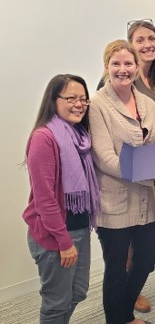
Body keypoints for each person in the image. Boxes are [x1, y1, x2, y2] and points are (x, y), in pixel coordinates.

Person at [89, 40, 155, 324]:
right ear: (107, 67)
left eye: (128, 63)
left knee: (146, 262)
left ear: (136, 66)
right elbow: (105, 158)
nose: (123, 69)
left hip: (147, 200)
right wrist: (154, 174)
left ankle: (123, 313)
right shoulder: (97, 104)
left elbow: (154, 146)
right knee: (116, 267)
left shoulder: (148, 103)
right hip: (114, 201)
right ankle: (118, 319)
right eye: (116, 64)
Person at [22, 74, 99, 324]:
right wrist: (64, 242)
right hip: (54, 234)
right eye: (71, 98)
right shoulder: (44, 138)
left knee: (78, 292)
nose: (79, 104)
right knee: (56, 303)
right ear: (53, 101)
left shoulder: (80, 137)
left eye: (83, 99)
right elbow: (45, 200)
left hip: (79, 229)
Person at [126, 18, 155, 312]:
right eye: (140, 40)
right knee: (129, 237)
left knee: (145, 235)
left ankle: (133, 286)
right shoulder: (121, 80)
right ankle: (127, 294)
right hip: (132, 171)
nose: (147, 45)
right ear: (129, 46)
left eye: (152, 39)